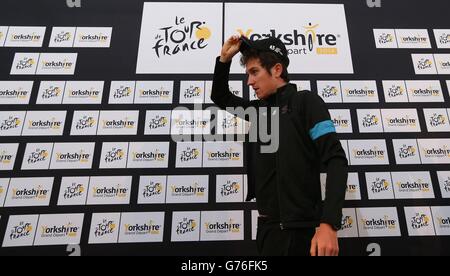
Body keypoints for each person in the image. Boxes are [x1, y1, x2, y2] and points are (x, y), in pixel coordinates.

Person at [211, 35, 349, 256]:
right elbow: (220, 96)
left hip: (303, 234)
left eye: (254, 72)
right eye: (247, 74)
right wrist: (224, 60)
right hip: (267, 232)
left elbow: (336, 161)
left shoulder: (306, 102)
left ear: (276, 70)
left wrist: (329, 224)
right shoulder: (257, 111)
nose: (249, 82)